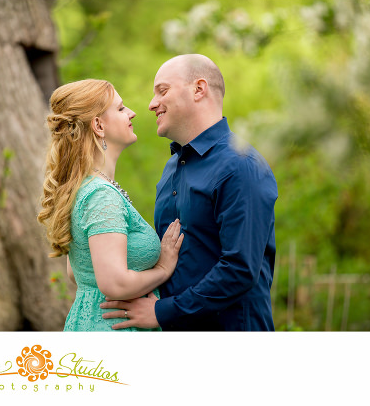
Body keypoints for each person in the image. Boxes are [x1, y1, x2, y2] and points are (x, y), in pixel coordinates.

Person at [101, 54, 278, 331]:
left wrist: (163, 312)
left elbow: (239, 270)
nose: (151, 104)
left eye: (162, 91)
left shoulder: (241, 166)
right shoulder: (172, 167)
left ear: (199, 89)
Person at [38, 79, 183, 331]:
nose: (132, 113)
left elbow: (78, 273)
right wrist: (162, 269)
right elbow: (113, 284)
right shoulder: (101, 195)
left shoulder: (85, 187)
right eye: (120, 108)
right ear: (98, 125)